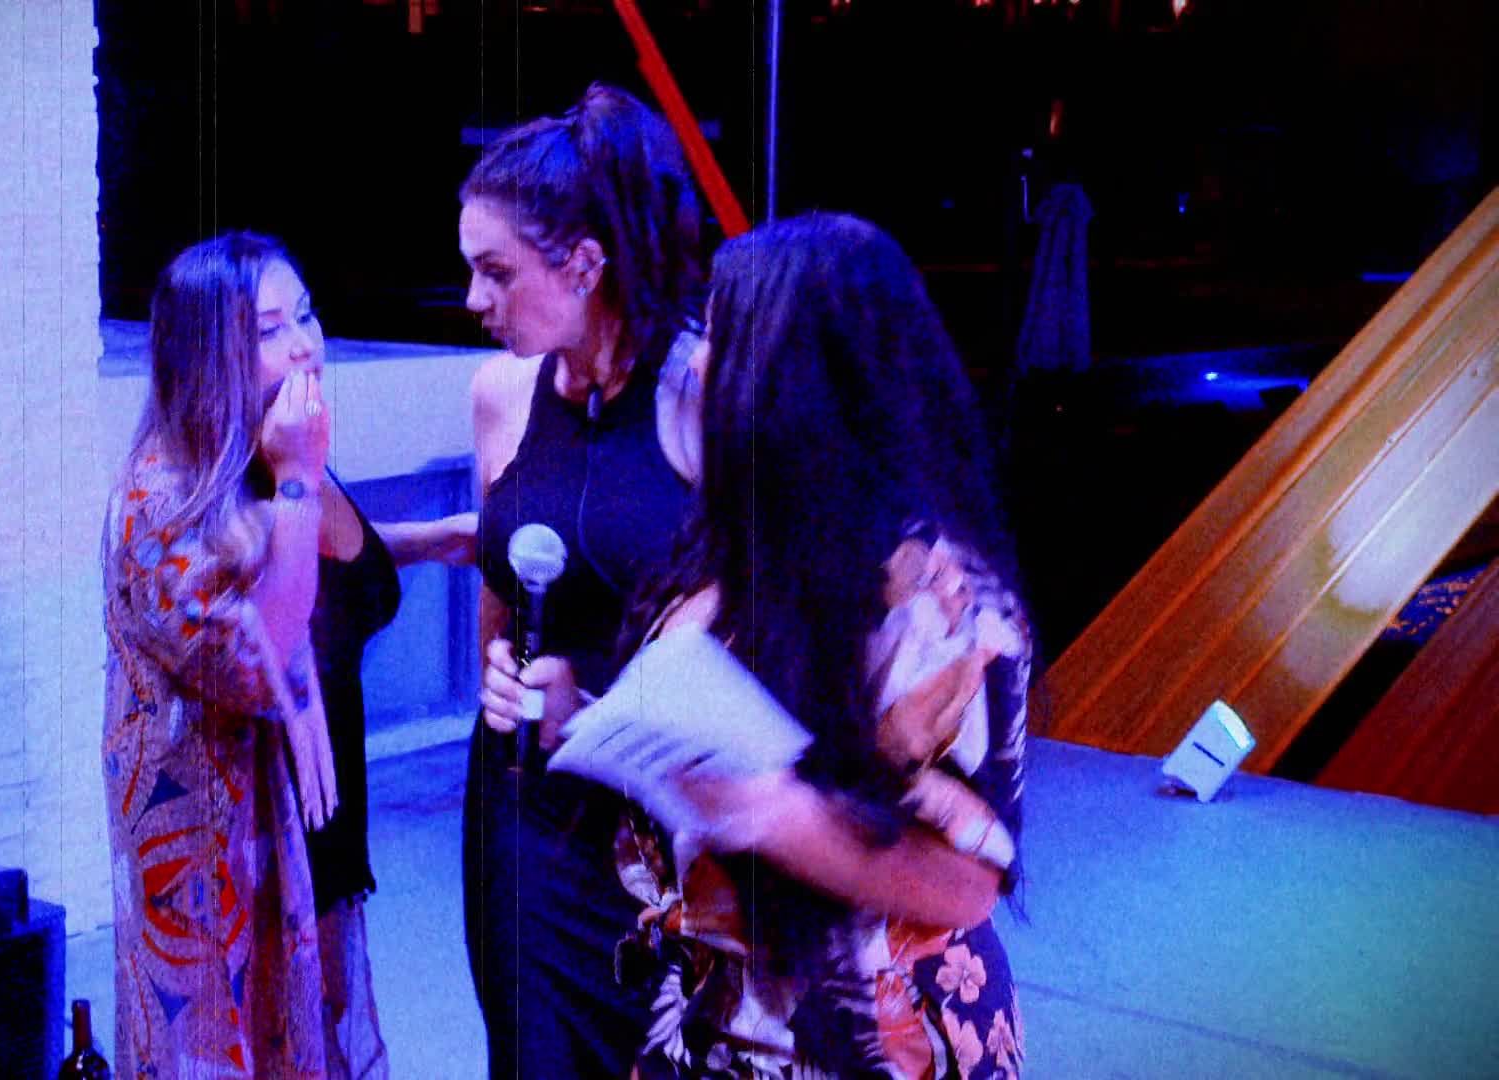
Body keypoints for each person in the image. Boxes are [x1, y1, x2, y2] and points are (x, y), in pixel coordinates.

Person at [532, 213, 1032, 1078]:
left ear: (798, 383)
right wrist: (577, 714)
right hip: (714, 1019)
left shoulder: (940, 593)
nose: (696, 365)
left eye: (721, 340)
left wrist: (780, 814)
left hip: (870, 1044)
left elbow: (966, 881)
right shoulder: (738, 536)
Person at [101, 232, 471, 1080]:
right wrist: (300, 476)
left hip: (313, 824)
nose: (305, 344)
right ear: (207, 356)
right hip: (224, 861)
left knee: (319, 1043)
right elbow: (261, 652)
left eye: (305, 316)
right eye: (269, 330)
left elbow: (321, 571)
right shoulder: (163, 498)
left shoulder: (267, 453)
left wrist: (437, 539)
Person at [461, 82, 708, 1078]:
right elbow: (498, 592)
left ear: (585, 263)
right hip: (524, 813)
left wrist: (599, 705)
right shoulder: (500, 394)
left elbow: (756, 638)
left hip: (667, 822)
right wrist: (496, 671)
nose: (474, 300)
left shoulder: (701, 391)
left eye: (497, 272)